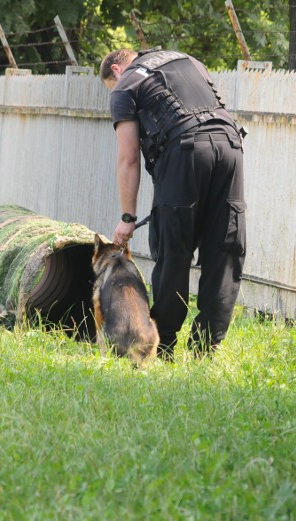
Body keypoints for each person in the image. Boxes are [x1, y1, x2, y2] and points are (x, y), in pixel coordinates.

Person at [99, 47, 247, 360]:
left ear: (115, 70)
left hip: (185, 152)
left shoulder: (125, 85)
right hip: (230, 144)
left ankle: (161, 346)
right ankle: (207, 349)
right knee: (225, 249)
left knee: (173, 250)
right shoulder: (187, 59)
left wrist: (127, 217)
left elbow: (128, 157)